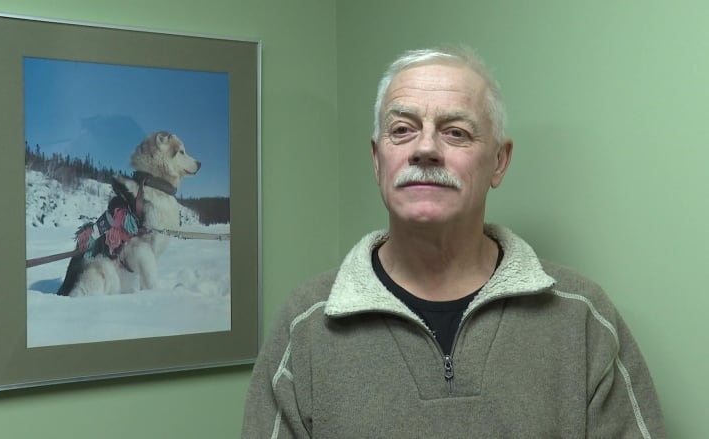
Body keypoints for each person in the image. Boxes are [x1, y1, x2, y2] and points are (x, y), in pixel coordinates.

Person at [242, 45, 665, 438]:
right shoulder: (306, 328)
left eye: (456, 132)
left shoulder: (583, 320)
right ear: (377, 160)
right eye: (403, 129)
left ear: (499, 162)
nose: (425, 148)